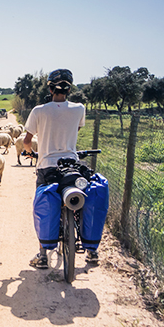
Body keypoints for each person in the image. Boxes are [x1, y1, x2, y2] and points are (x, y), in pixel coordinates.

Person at [23, 68, 98, 269]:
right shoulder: (79, 109)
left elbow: (27, 141)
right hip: (71, 165)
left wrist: (31, 153)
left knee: (44, 206)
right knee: (83, 199)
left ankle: (42, 255)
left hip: (46, 166)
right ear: (69, 89)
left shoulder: (39, 110)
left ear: (50, 88)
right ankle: (92, 252)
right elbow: (76, 129)